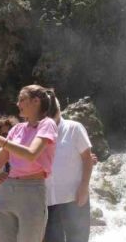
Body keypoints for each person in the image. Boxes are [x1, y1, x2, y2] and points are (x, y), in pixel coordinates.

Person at [0, 85, 58, 242]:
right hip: (7, 191)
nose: (18, 104)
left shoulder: (47, 124)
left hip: (32, 190)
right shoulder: (16, 129)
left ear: (36, 101)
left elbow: (31, 154)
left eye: (22, 99)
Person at [44, 99, 95, 242]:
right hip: (48, 199)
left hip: (73, 197)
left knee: (78, 238)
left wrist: (84, 187)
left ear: (59, 109)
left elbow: (87, 159)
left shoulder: (74, 128)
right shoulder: (38, 133)